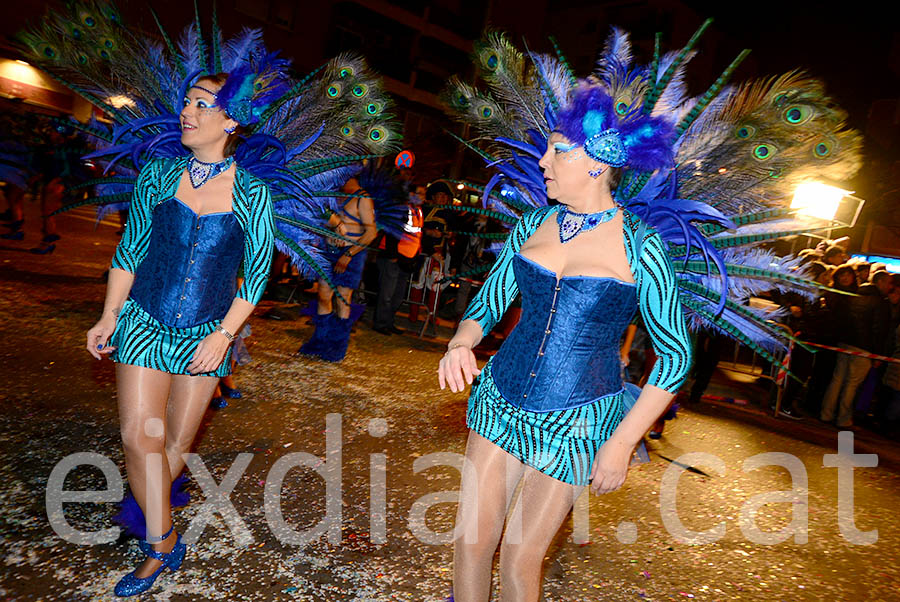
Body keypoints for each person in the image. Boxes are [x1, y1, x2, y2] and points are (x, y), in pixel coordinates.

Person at [438, 81, 692, 601]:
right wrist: (461, 342)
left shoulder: (641, 246)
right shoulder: (533, 222)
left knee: (518, 563)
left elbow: (675, 357)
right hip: (500, 398)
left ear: (597, 161)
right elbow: (489, 301)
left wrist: (621, 443)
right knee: (470, 544)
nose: (544, 161)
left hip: (576, 418)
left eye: (556, 150)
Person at [85, 73, 275, 596]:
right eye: (186, 101)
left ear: (230, 120)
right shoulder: (158, 175)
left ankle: (154, 527)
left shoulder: (255, 194)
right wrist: (108, 317)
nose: (186, 112)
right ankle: (162, 544)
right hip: (144, 321)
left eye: (200, 104)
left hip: (208, 335)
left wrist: (224, 336)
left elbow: (257, 276)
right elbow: (129, 252)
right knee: (135, 437)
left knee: (174, 444)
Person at [298, 176, 377, 361]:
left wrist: (348, 255)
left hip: (351, 255)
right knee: (323, 296)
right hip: (329, 251)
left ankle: (337, 347)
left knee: (343, 299)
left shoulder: (363, 198)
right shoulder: (333, 194)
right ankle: (319, 342)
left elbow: (371, 232)